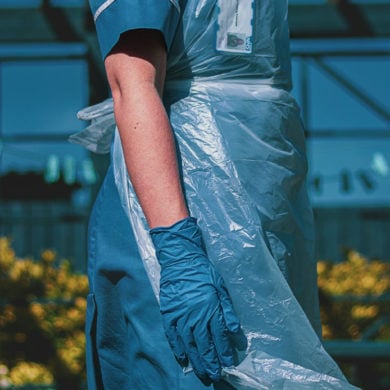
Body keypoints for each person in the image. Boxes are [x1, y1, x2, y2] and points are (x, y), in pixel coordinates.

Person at [77, 1, 358, 389]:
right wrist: (176, 247)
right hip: (175, 215)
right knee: (187, 364)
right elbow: (132, 82)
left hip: (264, 209)